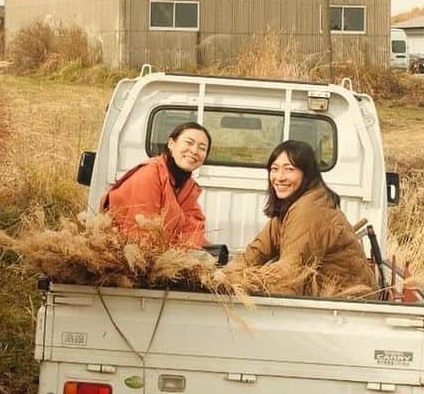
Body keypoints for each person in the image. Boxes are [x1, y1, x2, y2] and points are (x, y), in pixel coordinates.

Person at [239, 139, 375, 292]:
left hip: (345, 301)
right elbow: (257, 250)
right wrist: (223, 276)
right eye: (274, 169)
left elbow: (288, 271)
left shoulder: (311, 208)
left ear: (307, 173)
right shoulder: (290, 204)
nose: (279, 177)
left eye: (289, 169)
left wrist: (241, 282)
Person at [100, 120, 210, 246]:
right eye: (189, 143)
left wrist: (187, 253)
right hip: (132, 255)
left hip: (167, 254)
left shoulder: (188, 185)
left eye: (202, 148)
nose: (194, 151)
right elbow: (142, 231)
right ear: (171, 144)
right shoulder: (149, 174)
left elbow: (194, 229)